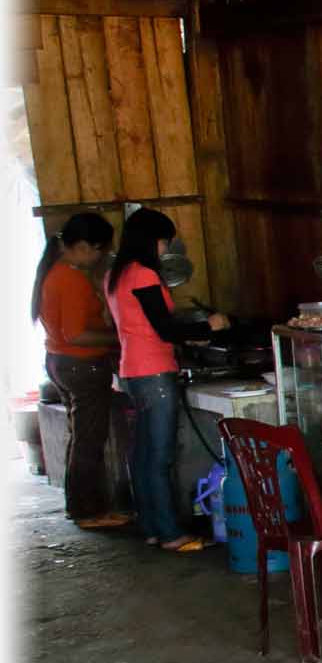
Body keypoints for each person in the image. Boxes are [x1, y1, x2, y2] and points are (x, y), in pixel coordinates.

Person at [104, 208, 228, 552]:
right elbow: (164, 327)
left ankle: (153, 527)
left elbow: (145, 326)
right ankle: (172, 534)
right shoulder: (143, 275)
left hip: (131, 372)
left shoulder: (116, 275)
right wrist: (209, 327)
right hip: (154, 373)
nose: (164, 249)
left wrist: (190, 337)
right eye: (164, 242)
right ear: (152, 241)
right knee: (159, 457)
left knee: (143, 455)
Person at [34, 212, 129, 530]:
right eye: (100, 250)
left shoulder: (56, 271)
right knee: (89, 440)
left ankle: (82, 506)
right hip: (81, 364)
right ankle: (88, 511)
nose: (100, 257)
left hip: (61, 361)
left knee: (82, 438)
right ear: (87, 246)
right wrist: (120, 339)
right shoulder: (70, 278)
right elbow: (76, 333)